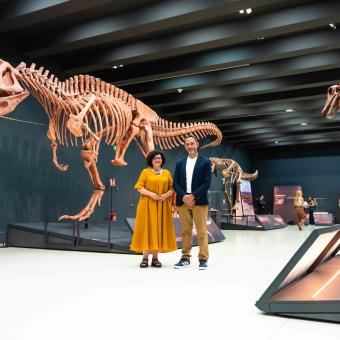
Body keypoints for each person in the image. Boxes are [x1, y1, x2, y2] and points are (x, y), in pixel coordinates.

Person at [130, 151, 177, 268]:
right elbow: (139, 187)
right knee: (148, 228)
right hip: (147, 205)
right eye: (155, 158)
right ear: (151, 160)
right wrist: (151, 194)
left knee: (158, 229)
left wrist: (166, 195)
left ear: (162, 160)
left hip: (162, 205)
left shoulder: (167, 173)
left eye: (159, 158)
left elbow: (172, 188)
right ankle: (145, 258)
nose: (157, 160)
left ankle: (155, 258)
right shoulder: (145, 172)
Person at [173, 135, 212, 270]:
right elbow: (175, 183)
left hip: (199, 201)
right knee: (185, 231)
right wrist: (184, 196)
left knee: (201, 232)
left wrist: (193, 196)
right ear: (185, 146)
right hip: (183, 202)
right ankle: (185, 258)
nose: (189, 146)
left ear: (197, 144)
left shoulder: (205, 162)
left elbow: (207, 183)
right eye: (187, 144)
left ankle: (203, 259)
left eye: (192, 143)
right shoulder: (180, 163)